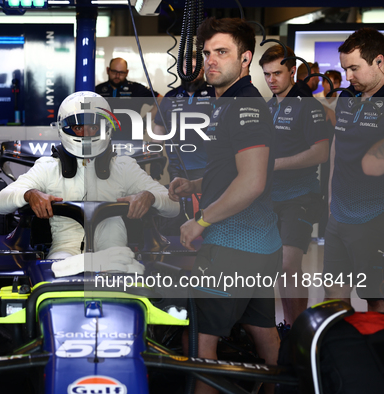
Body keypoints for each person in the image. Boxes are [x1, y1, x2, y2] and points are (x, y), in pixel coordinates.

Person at [169, 18, 282, 394]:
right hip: (260, 244)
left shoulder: (245, 106)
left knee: (199, 342)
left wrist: (201, 220)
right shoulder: (227, 103)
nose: (210, 61)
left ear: (245, 58)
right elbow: (233, 171)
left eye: (222, 52)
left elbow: (252, 182)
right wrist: (195, 184)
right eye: (206, 53)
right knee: (264, 333)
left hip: (233, 244)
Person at [0, 91, 179, 259]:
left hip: (115, 254)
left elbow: (174, 205)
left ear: (105, 127)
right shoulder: (48, 166)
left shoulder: (124, 166)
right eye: (77, 127)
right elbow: (0, 203)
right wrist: (30, 194)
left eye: (93, 126)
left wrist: (150, 197)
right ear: (63, 128)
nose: (85, 133)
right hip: (64, 253)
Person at [259, 44, 330, 325]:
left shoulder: (308, 106)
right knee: (274, 268)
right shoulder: (267, 107)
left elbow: (321, 152)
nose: (272, 79)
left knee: (289, 265)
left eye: (277, 73)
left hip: (299, 196)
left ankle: (299, 330)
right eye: (266, 74)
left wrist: (274, 164)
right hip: (267, 198)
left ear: (292, 72)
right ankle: (287, 328)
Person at [323, 28, 384, 312]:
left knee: (377, 299)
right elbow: (338, 145)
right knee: (334, 299)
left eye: (355, 68)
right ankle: (338, 353)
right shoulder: (347, 97)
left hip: (375, 219)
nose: (348, 77)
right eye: (345, 68)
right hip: (339, 216)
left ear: (380, 62)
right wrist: (330, 199)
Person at [153, 53, 214, 182]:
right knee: (179, 202)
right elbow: (159, 130)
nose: (190, 72)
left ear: (203, 69)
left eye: (194, 67)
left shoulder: (215, 93)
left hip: (208, 168)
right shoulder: (170, 96)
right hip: (177, 168)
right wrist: (155, 157)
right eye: (187, 67)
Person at [95, 57, 161, 140]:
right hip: (102, 138)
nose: (117, 76)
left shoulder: (136, 88)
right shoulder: (97, 90)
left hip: (131, 139)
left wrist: (145, 121)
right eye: (114, 71)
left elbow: (162, 100)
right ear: (108, 70)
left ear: (127, 72)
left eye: (121, 73)